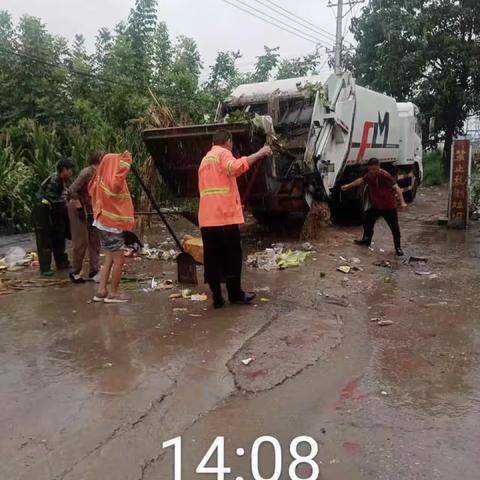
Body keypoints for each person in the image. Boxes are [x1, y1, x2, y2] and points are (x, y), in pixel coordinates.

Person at [198, 129, 272, 308]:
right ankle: (235, 294)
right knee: (232, 256)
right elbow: (235, 168)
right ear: (228, 142)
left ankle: (217, 297)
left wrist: (235, 204)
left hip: (207, 219)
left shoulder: (205, 160)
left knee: (212, 258)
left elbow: (215, 188)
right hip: (223, 218)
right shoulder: (223, 153)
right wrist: (259, 153)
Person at [89, 151, 135, 303]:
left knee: (108, 259)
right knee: (119, 260)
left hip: (102, 222)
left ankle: (101, 291)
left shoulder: (100, 179)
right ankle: (113, 293)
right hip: (111, 225)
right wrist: (126, 160)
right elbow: (117, 183)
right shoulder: (113, 181)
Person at [341, 158, 407, 256]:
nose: (372, 172)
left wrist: (402, 202)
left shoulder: (385, 175)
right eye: (370, 169)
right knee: (367, 221)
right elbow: (361, 180)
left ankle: (398, 247)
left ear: (379, 167)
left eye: (374, 169)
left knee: (394, 228)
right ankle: (366, 239)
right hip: (376, 206)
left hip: (388, 207)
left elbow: (397, 188)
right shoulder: (369, 175)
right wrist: (349, 186)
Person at [33, 158, 75, 276]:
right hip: (43, 212)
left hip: (53, 213)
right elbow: (51, 198)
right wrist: (66, 204)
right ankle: (45, 268)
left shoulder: (62, 180)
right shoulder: (54, 180)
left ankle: (62, 262)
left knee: (59, 236)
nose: (71, 173)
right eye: (70, 170)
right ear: (64, 170)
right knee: (45, 240)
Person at [67, 151, 104, 283]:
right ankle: (75, 271)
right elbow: (71, 190)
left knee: (95, 241)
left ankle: (94, 269)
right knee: (81, 242)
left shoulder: (100, 173)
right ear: (100, 159)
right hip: (79, 209)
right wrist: (78, 206)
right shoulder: (87, 172)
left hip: (92, 210)